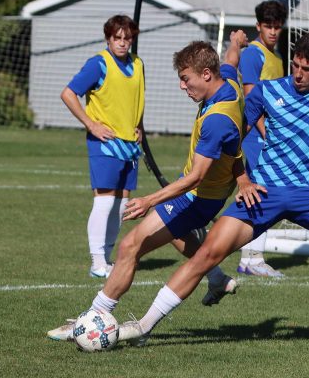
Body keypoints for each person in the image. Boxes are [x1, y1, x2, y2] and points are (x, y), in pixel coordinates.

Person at [119, 30, 309, 350]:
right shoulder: (266, 90)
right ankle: (143, 325)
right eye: (295, 66)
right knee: (208, 253)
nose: (298, 74)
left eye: (307, 69)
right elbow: (233, 138)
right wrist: (243, 180)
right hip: (264, 192)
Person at [47, 30, 249, 341]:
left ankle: (93, 317)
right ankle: (218, 278)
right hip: (208, 193)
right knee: (178, 236)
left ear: (207, 74)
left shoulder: (217, 120)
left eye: (186, 79)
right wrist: (235, 42)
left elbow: (194, 177)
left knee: (131, 246)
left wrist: (149, 201)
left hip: (197, 195)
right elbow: (232, 61)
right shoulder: (230, 83)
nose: (182, 86)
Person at [60, 15, 145, 279]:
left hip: (129, 145)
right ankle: (97, 261)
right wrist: (91, 124)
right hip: (105, 143)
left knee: (121, 203)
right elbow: (68, 93)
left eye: (127, 38)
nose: (122, 43)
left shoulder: (138, 64)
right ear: (108, 38)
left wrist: (139, 125)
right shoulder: (98, 63)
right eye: (117, 38)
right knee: (105, 199)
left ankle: (107, 260)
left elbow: (136, 99)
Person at [237, 0, 287, 277]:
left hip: (269, 135)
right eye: (268, 26)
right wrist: (268, 133)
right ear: (258, 26)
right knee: (260, 190)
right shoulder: (253, 55)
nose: (273, 31)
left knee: (264, 190)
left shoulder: (277, 57)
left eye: (277, 27)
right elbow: (252, 99)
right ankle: (251, 258)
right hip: (256, 135)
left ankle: (252, 256)